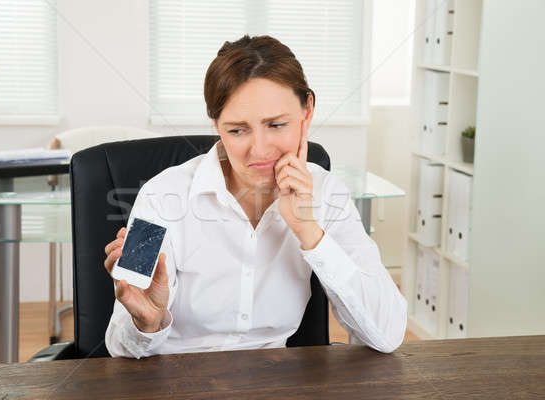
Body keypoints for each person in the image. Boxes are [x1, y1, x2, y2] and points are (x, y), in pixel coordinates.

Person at [103, 34, 407, 358]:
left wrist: (309, 232)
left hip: (275, 381)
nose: (259, 150)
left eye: (276, 125)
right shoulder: (159, 195)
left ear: (307, 111)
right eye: (237, 130)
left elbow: (387, 334)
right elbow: (119, 344)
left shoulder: (329, 194)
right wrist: (147, 323)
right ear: (216, 125)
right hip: (174, 379)